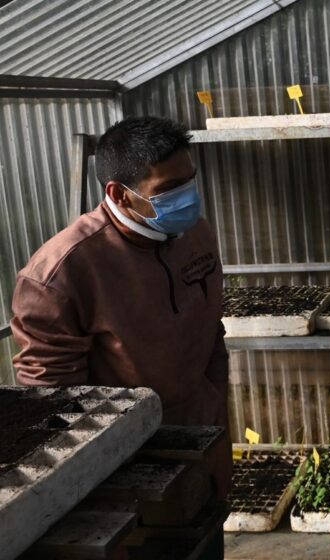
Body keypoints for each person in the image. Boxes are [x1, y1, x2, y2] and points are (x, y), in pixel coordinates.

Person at [11, 116, 231, 559]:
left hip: (202, 443)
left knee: (206, 545)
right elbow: (56, 404)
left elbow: (211, 332)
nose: (188, 197)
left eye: (190, 180)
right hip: (129, 473)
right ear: (119, 193)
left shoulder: (195, 234)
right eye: (170, 188)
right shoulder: (61, 274)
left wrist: (215, 409)